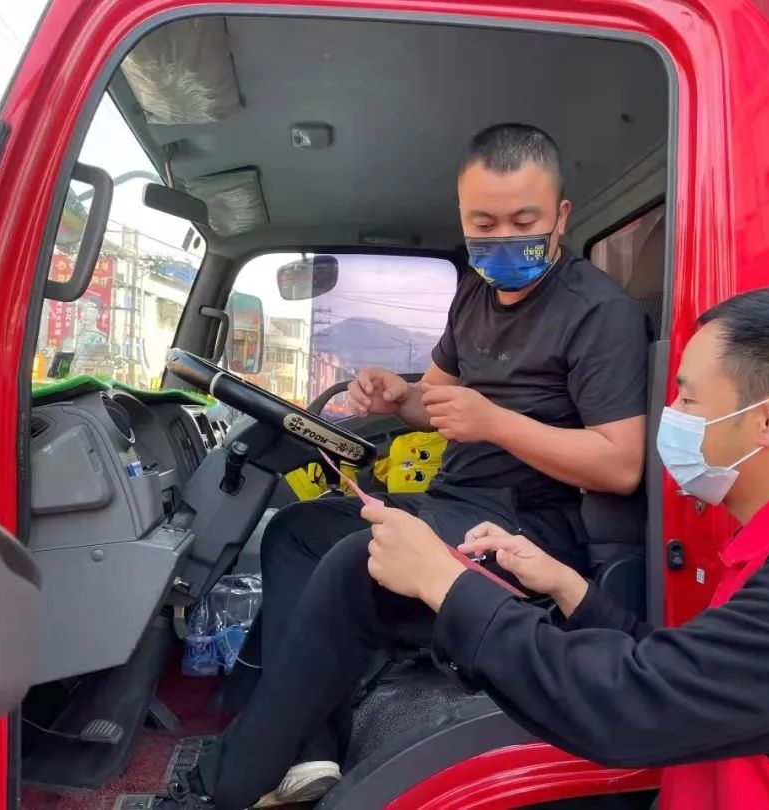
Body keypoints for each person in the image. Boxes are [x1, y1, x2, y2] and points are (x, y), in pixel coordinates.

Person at [161, 123, 651, 809]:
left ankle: (225, 787)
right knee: (298, 532)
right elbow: (435, 402)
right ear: (464, 217)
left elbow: (621, 464)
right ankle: (311, 749)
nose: (504, 241)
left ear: (561, 216)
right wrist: (397, 395)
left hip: (527, 532)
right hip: (455, 501)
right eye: (485, 225)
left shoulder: (599, 313)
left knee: (354, 561)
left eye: (524, 223)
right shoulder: (475, 294)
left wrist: (495, 423)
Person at [361, 286, 769, 809]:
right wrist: (570, 589)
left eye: (688, 400)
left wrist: (445, 583)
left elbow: (633, 705)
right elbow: (688, 676)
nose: (669, 416)